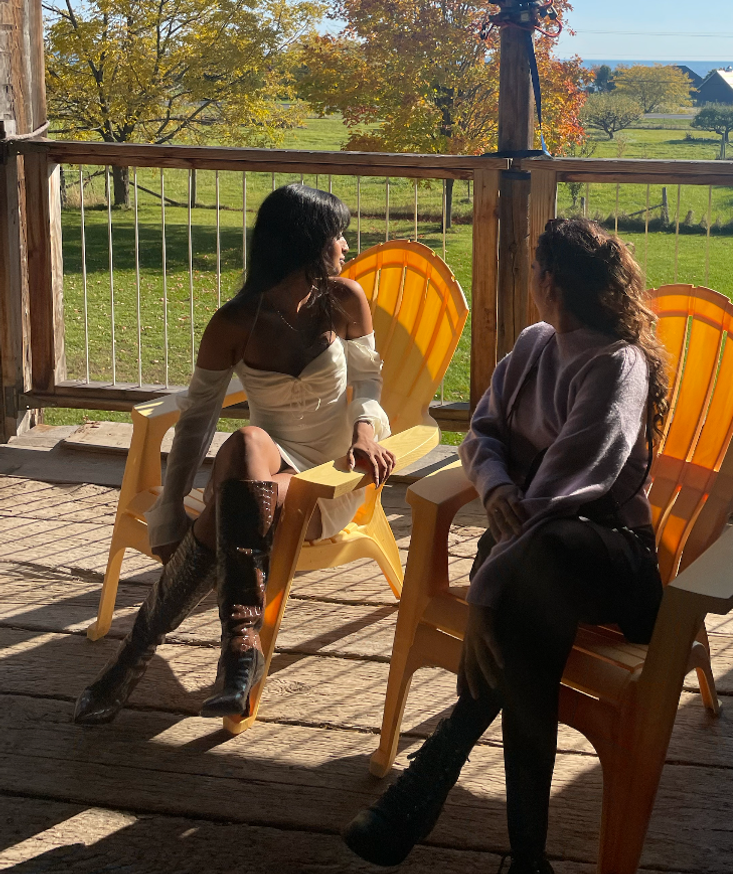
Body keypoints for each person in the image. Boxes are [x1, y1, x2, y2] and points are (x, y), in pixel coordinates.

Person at [344, 217, 669, 874]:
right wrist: (491, 485)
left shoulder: (617, 366)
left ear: (550, 280)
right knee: (526, 632)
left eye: (532, 271)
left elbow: (567, 491)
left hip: (613, 564)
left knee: (529, 572)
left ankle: (435, 770)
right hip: (528, 563)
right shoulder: (533, 346)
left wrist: (485, 597)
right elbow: (481, 435)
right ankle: (526, 859)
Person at [74, 183, 395, 725]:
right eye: (335, 236)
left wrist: (365, 427)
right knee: (245, 442)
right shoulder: (234, 322)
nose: (345, 245)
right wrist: (170, 509)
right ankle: (241, 651)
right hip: (267, 458)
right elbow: (198, 420)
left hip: (332, 472)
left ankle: (132, 658)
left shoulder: (344, 299)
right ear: (305, 246)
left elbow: (367, 381)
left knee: (231, 504)